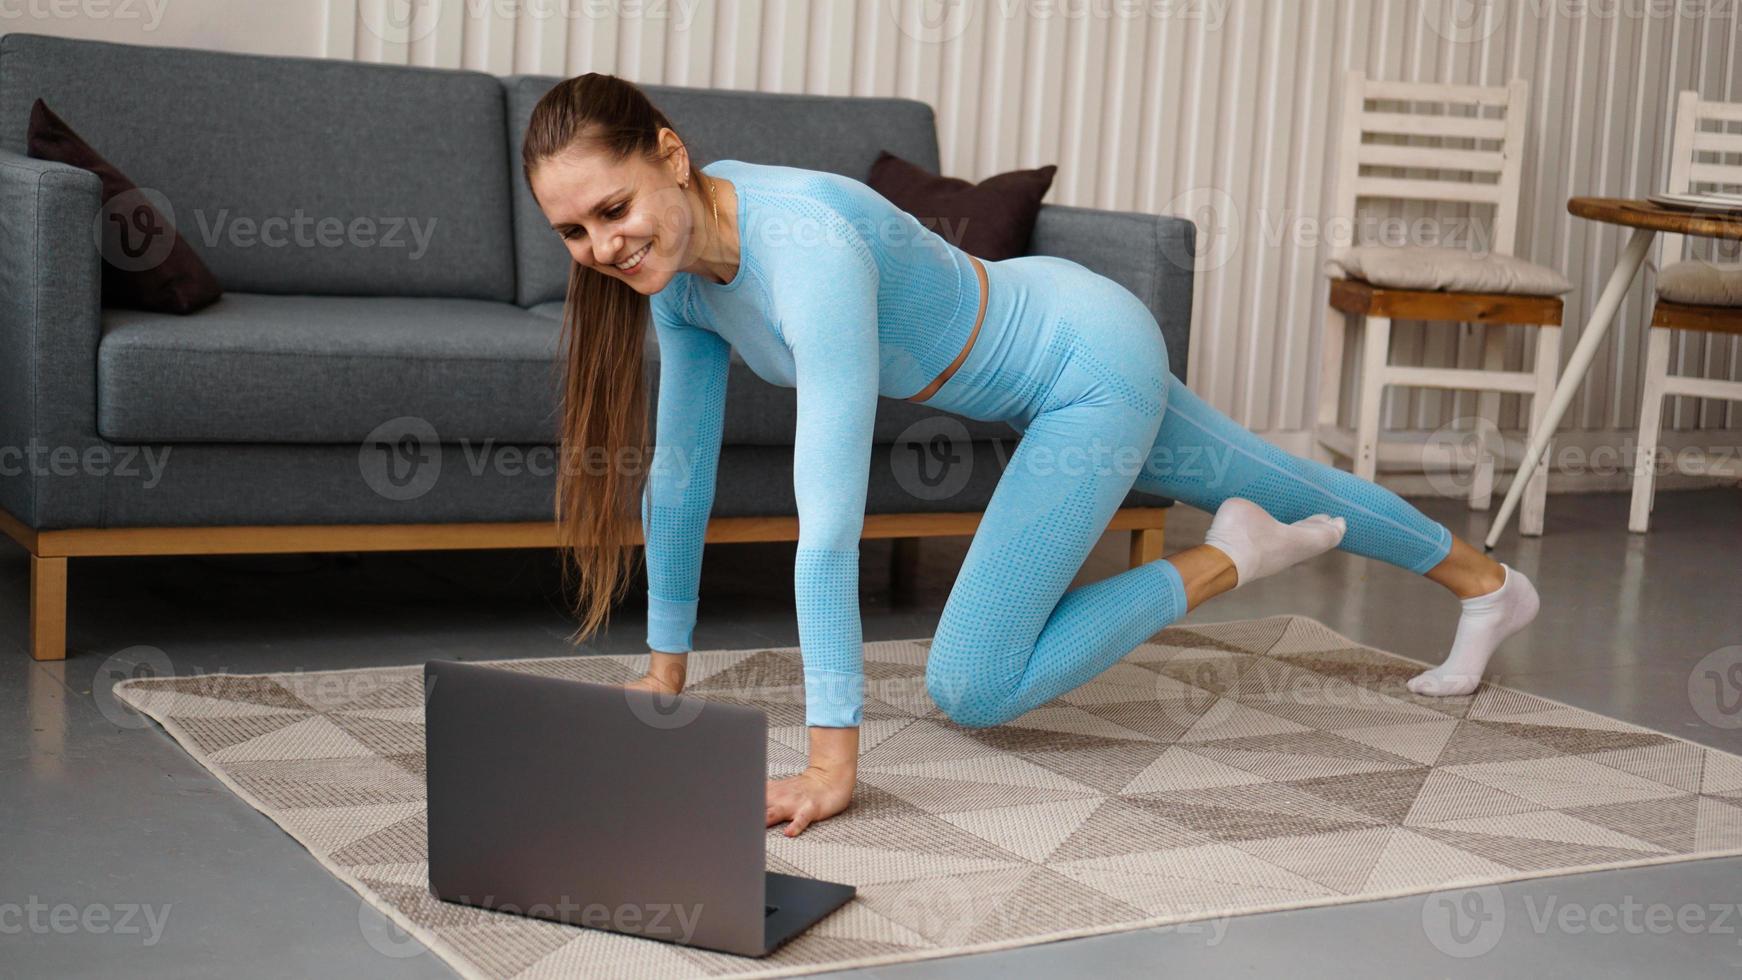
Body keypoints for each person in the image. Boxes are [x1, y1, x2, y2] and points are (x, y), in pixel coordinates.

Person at [521, 74, 1540, 838]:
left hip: (1083, 361)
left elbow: (826, 516)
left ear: (668, 151)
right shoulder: (684, 281)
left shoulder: (805, 248)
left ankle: (1232, 556)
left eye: (612, 210)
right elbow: (678, 476)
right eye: (572, 231)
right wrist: (663, 673)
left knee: (971, 683)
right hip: (1058, 342)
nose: (602, 247)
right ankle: (1489, 586)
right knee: (1281, 480)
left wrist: (833, 759)